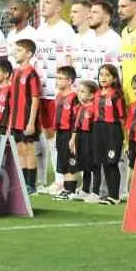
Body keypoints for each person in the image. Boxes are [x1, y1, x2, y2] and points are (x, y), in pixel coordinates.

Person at [8, 38, 43, 192]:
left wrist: (31, 122)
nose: (16, 53)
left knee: (29, 149)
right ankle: (22, 182)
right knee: (20, 149)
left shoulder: (32, 73)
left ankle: (31, 184)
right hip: (16, 119)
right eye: (16, 50)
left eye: (20, 50)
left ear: (29, 54)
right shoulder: (15, 72)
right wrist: (10, 123)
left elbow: (35, 98)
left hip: (27, 118)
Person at [90, 64, 126, 204]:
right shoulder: (97, 94)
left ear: (114, 78)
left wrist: (123, 136)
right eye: (101, 74)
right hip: (98, 129)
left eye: (107, 75)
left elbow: (122, 117)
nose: (103, 78)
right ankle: (105, 194)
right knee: (103, 162)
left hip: (113, 129)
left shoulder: (116, 95)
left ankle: (114, 196)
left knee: (112, 163)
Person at [46, 67, 80, 197]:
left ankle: (71, 190)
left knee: (70, 161)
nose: (57, 81)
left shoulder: (74, 97)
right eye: (56, 78)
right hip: (60, 132)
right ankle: (66, 188)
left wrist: (73, 138)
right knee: (62, 161)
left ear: (70, 81)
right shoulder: (59, 96)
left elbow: (76, 119)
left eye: (60, 78)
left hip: (69, 133)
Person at [71, 79, 98, 199]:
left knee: (94, 165)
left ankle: (96, 191)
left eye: (83, 91)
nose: (79, 93)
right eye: (79, 91)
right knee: (84, 164)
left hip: (91, 137)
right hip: (81, 137)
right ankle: (85, 189)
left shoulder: (94, 108)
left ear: (92, 95)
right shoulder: (79, 107)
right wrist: (73, 139)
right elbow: (76, 125)